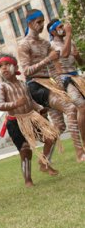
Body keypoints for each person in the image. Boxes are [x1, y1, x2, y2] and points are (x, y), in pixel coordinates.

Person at [17, 9, 85, 163]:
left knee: (60, 127)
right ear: (30, 23)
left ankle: (43, 160)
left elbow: (54, 69)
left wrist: (61, 87)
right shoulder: (24, 45)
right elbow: (26, 71)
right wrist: (48, 59)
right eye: (38, 22)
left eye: (42, 21)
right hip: (35, 85)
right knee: (71, 108)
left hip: (50, 85)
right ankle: (80, 153)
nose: (41, 25)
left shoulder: (45, 43)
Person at [0, 53, 59, 187]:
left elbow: (31, 102)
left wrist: (40, 108)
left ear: (15, 66)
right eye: (0, 66)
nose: (4, 68)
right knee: (25, 150)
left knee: (51, 137)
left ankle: (44, 163)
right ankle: (28, 179)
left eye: (7, 64)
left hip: (31, 118)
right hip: (15, 122)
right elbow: (0, 105)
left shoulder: (23, 84)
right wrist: (15, 104)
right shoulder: (2, 87)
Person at [46, 19, 85, 155]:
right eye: (60, 26)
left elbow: (80, 63)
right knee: (81, 106)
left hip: (77, 77)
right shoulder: (51, 45)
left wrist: (78, 56)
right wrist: (69, 34)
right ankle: (83, 146)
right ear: (53, 31)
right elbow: (64, 54)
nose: (64, 27)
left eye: (64, 25)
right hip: (64, 81)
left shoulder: (71, 42)